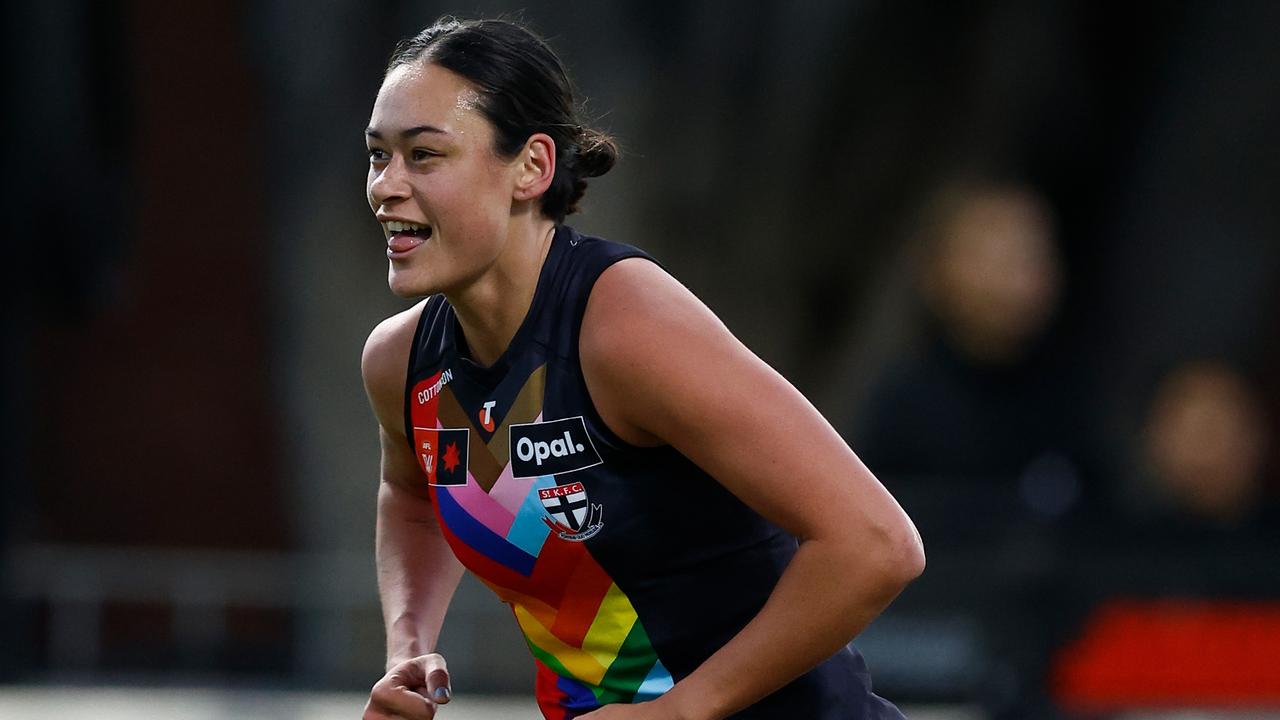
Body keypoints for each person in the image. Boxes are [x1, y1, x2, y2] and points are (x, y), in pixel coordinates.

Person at [359, 17, 924, 720]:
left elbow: (876, 544)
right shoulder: (400, 363)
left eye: (424, 155)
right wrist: (408, 647)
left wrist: (685, 709)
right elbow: (413, 495)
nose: (387, 186)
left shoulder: (624, 325)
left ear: (531, 168)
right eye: (378, 155)